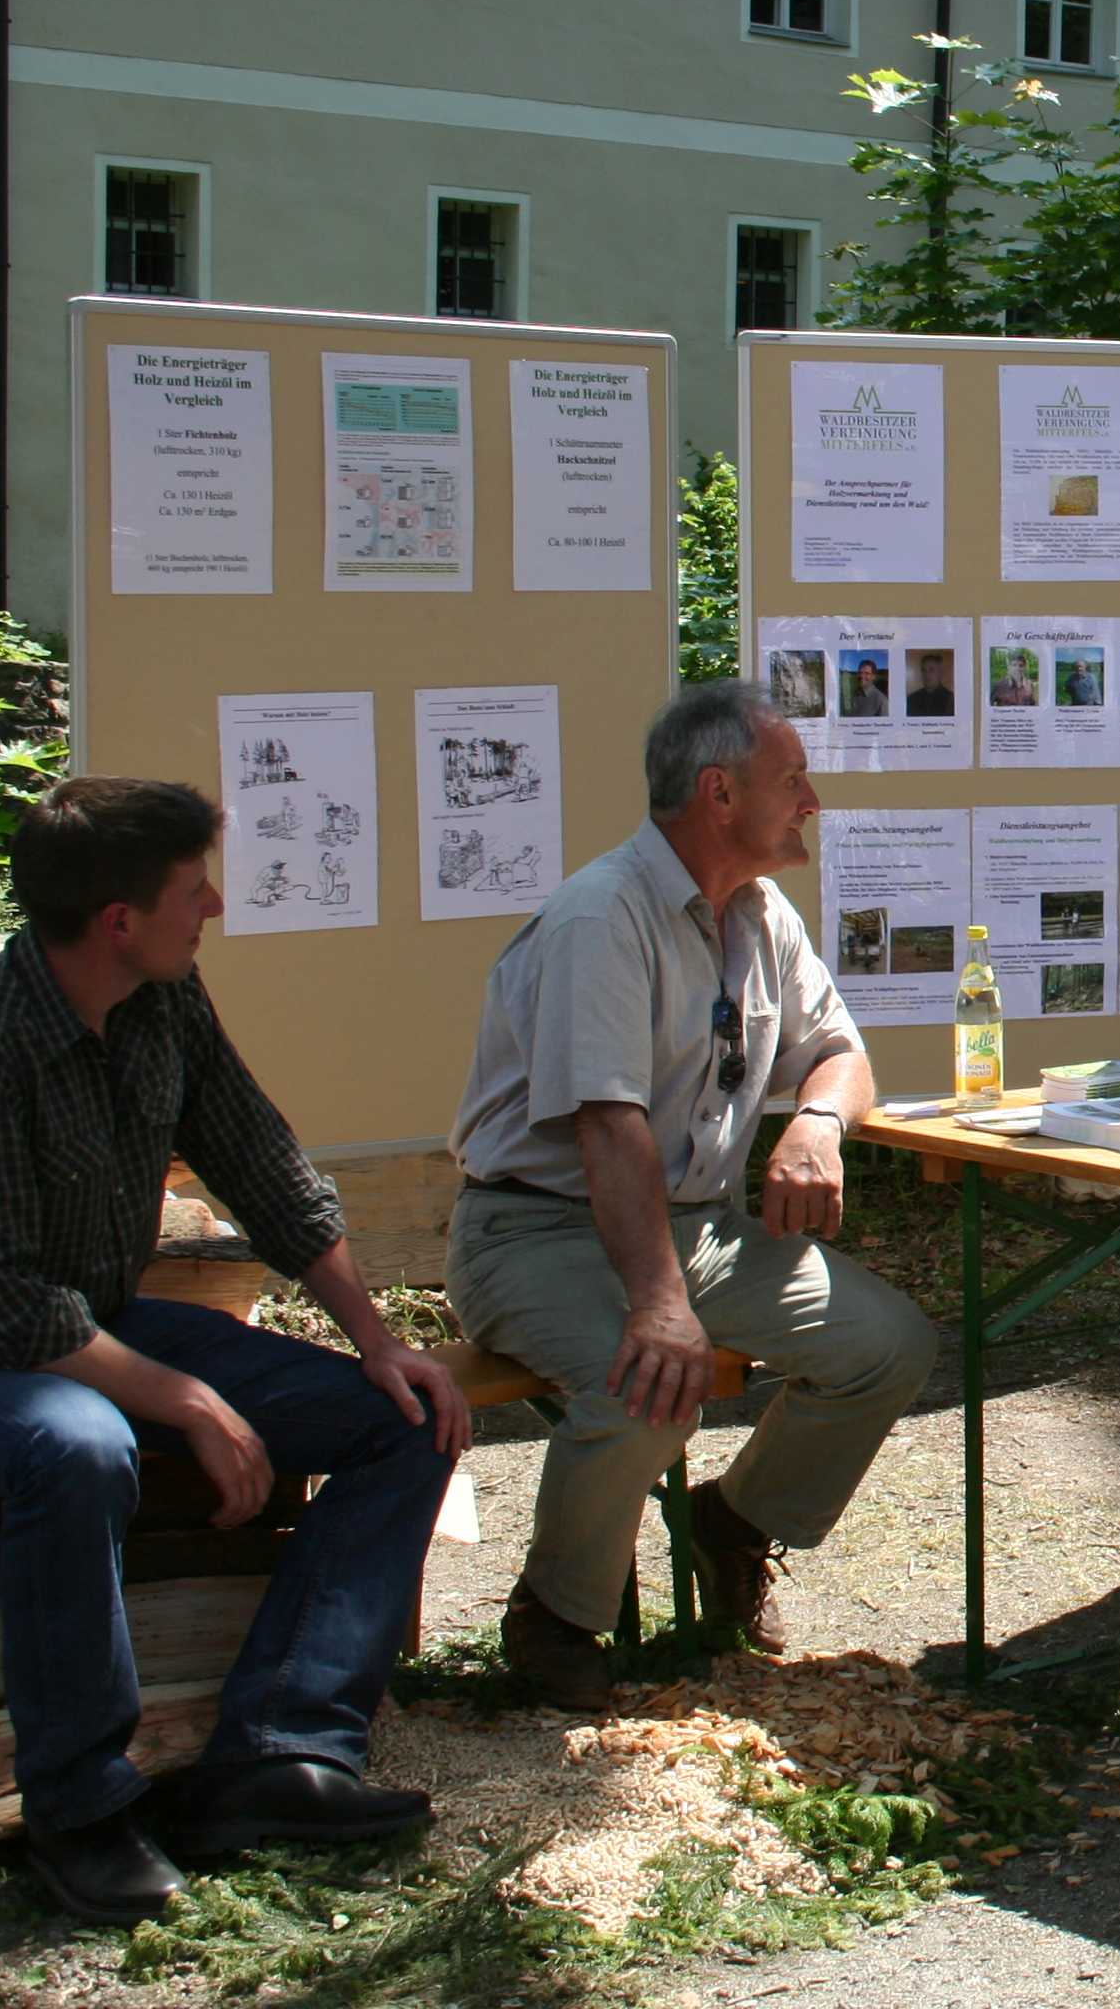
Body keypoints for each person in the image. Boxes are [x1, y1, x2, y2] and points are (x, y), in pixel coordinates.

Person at [0, 779, 464, 1924]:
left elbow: (264, 1164)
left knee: (407, 1421)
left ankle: (279, 1751)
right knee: (78, 1452)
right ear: (119, 919)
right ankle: (79, 1808)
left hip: (97, 1322)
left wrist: (377, 1341)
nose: (216, 905)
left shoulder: (163, 1004)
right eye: (193, 890)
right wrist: (183, 1397)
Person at [446, 682, 937, 1707]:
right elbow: (606, 1126)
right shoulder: (603, 914)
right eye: (790, 781)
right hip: (538, 1231)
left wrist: (818, 1123)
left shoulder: (760, 912)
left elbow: (841, 1050)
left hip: (693, 1223)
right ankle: (556, 1616)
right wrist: (659, 1305)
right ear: (719, 793)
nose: (811, 801)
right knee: (649, 1388)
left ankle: (733, 1522)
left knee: (884, 1344)